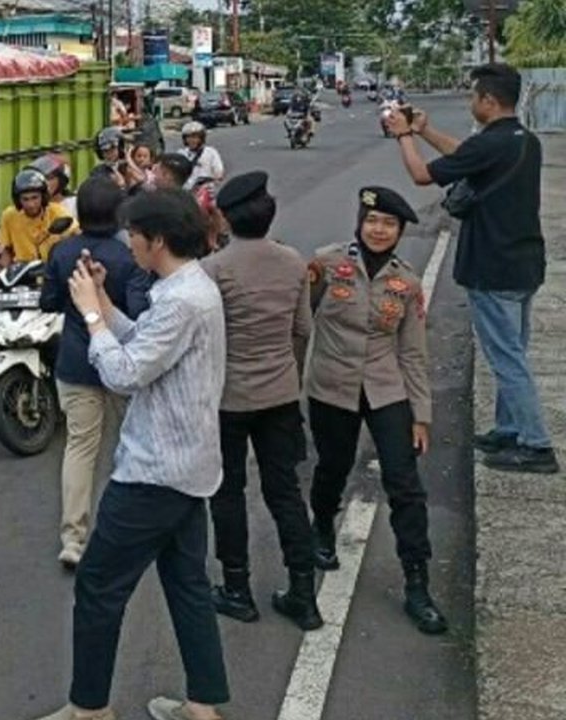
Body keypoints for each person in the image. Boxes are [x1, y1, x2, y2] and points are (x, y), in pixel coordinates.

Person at [32, 189, 229, 720]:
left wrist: (90, 315)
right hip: (187, 467)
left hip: (154, 473)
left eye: (135, 235)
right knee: (187, 587)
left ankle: (90, 710)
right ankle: (202, 705)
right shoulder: (188, 288)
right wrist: (106, 302)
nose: (130, 243)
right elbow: (145, 341)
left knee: (98, 587)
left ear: (157, 240)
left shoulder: (182, 300)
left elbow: (125, 372)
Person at [388, 62, 558, 474]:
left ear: (488, 100)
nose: (471, 102)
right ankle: (509, 428)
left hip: (492, 266)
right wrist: (426, 131)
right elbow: (465, 155)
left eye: (473, 96)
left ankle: (536, 445)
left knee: (506, 357)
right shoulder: (524, 140)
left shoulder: (490, 144)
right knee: (512, 350)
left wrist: (404, 135)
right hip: (524, 264)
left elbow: (421, 175)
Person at [307, 186, 448, 635]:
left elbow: (413, 352)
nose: (379, 230)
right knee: (333, 466)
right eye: (372, 221)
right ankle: (322, 527)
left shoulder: (407, 282)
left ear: (400, 231)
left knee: (405, 484)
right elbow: (300, 321)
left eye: (389, 224)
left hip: (386, 388)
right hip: (332, 386)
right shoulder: (327, 264)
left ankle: (417, 583)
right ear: (359, 222)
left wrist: (421, 414)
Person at [199, 172, 321, 631]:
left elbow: (205, 340)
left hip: (228, 398)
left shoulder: (213, 270)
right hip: (281, 395)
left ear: (227, 218)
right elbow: (302, 330)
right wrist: (289, 374)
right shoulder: (293, 262)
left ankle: (237, 589)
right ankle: (303, 594)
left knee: (228, 493)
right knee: (285, 492)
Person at [39, 177, 154, 570]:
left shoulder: (62, 251)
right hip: (124, 361)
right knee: (132, 444)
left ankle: (73, 539)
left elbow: (49, 301)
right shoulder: (129, 256)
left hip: (75, 361)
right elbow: (139, 313)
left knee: (80, 448)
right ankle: (132, 529)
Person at [0, 169, 77, 268]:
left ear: (43, 197)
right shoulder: (9, 216)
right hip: (23, 270)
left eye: (35, 197)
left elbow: (76, 233)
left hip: (51, 269)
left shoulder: (57, 212)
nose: (31, 204)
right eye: (25, 199)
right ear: (18, 200)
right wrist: (3, 270)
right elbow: (7, 249)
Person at [177, 122, 224, 191]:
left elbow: (219, 170)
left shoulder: (210, 152)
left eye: (194, 137)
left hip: (205, 190)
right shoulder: (181, 153)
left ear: (201, 138)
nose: (191, 140)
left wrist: (217, 177)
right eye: (188, 137)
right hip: (187, 191)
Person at [28, 153, 77, 217]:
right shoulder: (31, 206)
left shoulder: (74, 205)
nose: (44, 182)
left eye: (49, 178)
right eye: (39, 177)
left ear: (62, 180)